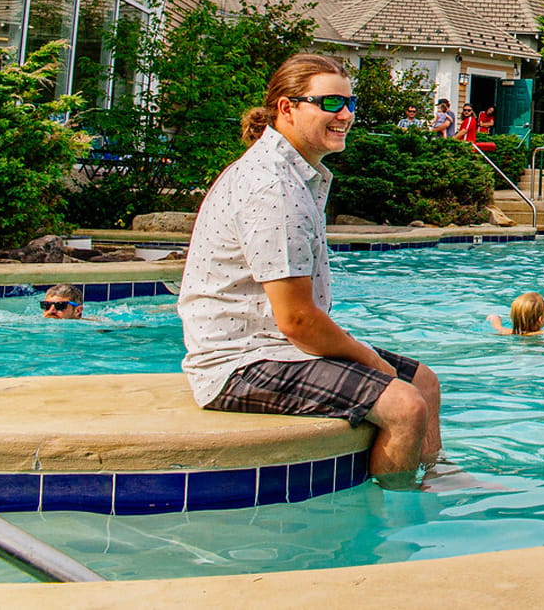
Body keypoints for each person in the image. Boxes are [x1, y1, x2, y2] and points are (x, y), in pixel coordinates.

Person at [179, 53, 444, 490]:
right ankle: (400, 519)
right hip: (239, 362)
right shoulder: (271, 187)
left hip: (278, 348)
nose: (345, 115)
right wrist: (374, 363)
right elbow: (298, 321)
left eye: (349, 104)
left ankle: (439, 481)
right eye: (329, 104)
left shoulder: (296, 174)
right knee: (404, 405)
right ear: (287, 108)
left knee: (423, 381)